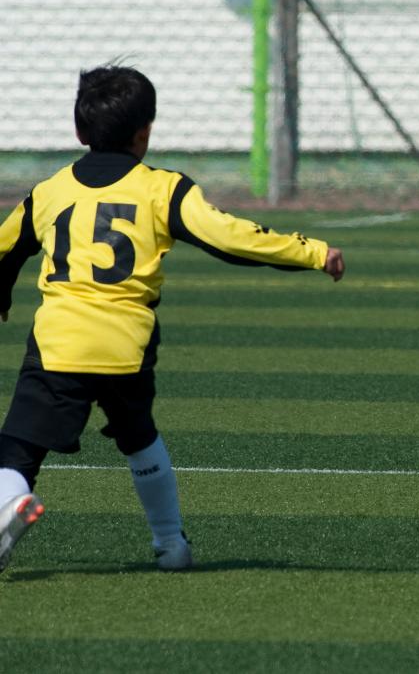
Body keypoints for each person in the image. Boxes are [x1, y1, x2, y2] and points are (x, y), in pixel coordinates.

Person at [0, 65, 346, 573]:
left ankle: (8, 506)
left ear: (79, 132)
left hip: (58, 343)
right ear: (145, 133)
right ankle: (170, 545)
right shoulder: (164, 189)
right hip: (125, 346)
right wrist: (313, 252)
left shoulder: (50, 191)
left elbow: (6, 247)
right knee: (138, 435)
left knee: (18, 449)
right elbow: (230, 237)